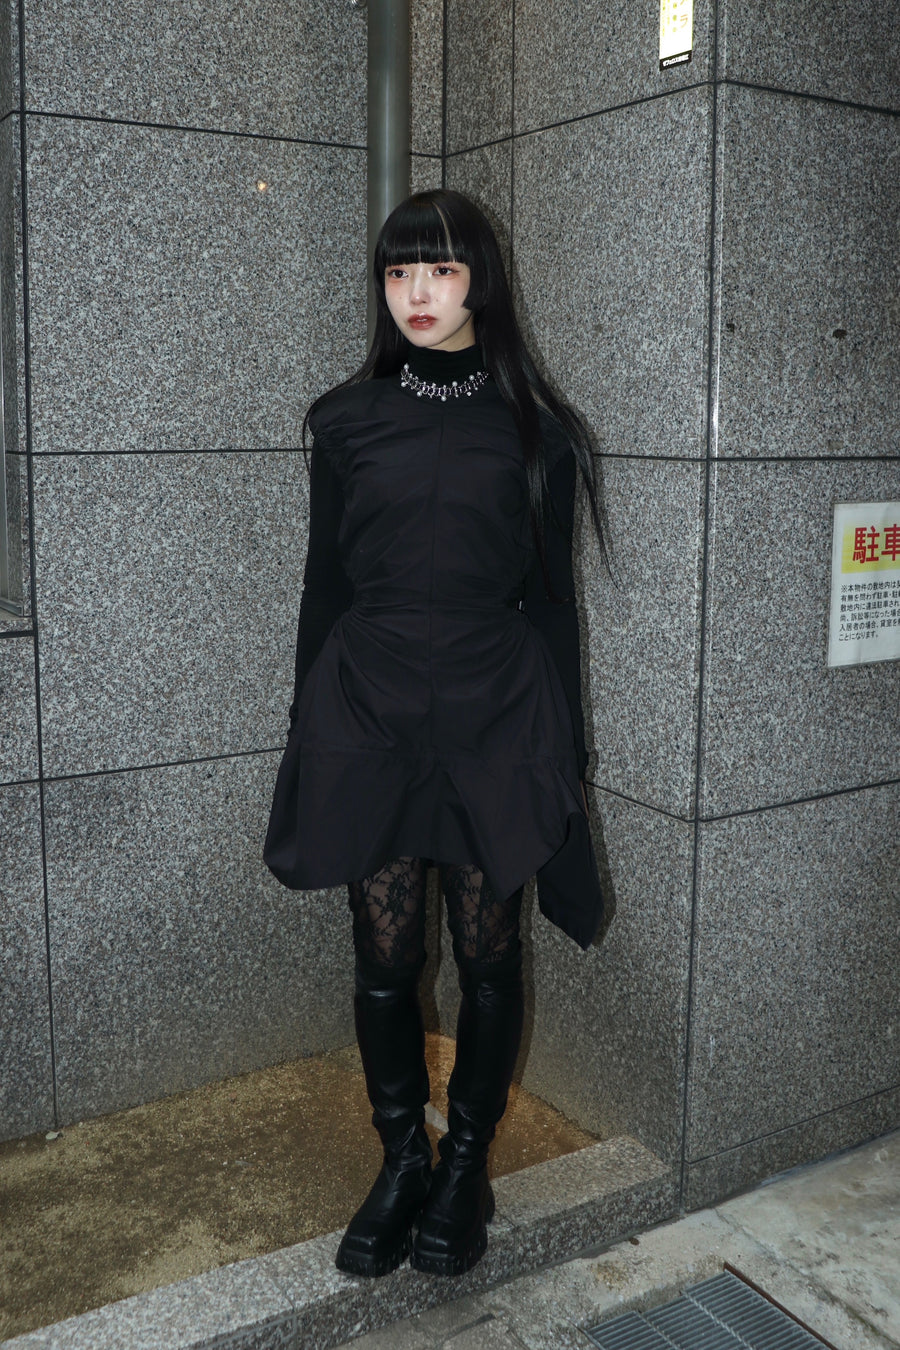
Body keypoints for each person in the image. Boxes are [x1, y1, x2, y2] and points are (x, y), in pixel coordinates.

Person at [264, 189, 606, 1281]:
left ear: (481, 283)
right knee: (384, 952)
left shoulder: (538, 431)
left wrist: (567, 755)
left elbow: (552, 604)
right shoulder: (344, 420)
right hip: (367, 705)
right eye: (400, 270)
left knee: (488, 950)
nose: (418, 292)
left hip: (494, 709)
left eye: (443, 269)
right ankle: (402, 1159)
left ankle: (465, 1168)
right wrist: (307, 722)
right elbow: (323, 585)